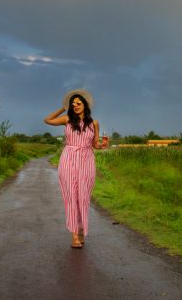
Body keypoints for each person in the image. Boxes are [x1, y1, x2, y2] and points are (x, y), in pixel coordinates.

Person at [44, 89, 108, 249]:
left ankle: (81, 229)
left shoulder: (94, 123)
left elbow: (95, 145)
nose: (75, 106)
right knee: (71, 197)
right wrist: (63, 108)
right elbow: (47, 120)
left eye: (78, 103)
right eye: (73, 104)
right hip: (68, 159)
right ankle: (74, 236)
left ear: (85, 104)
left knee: (83, 197)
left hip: (86, 160)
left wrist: (102, 145)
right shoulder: (66, 119)